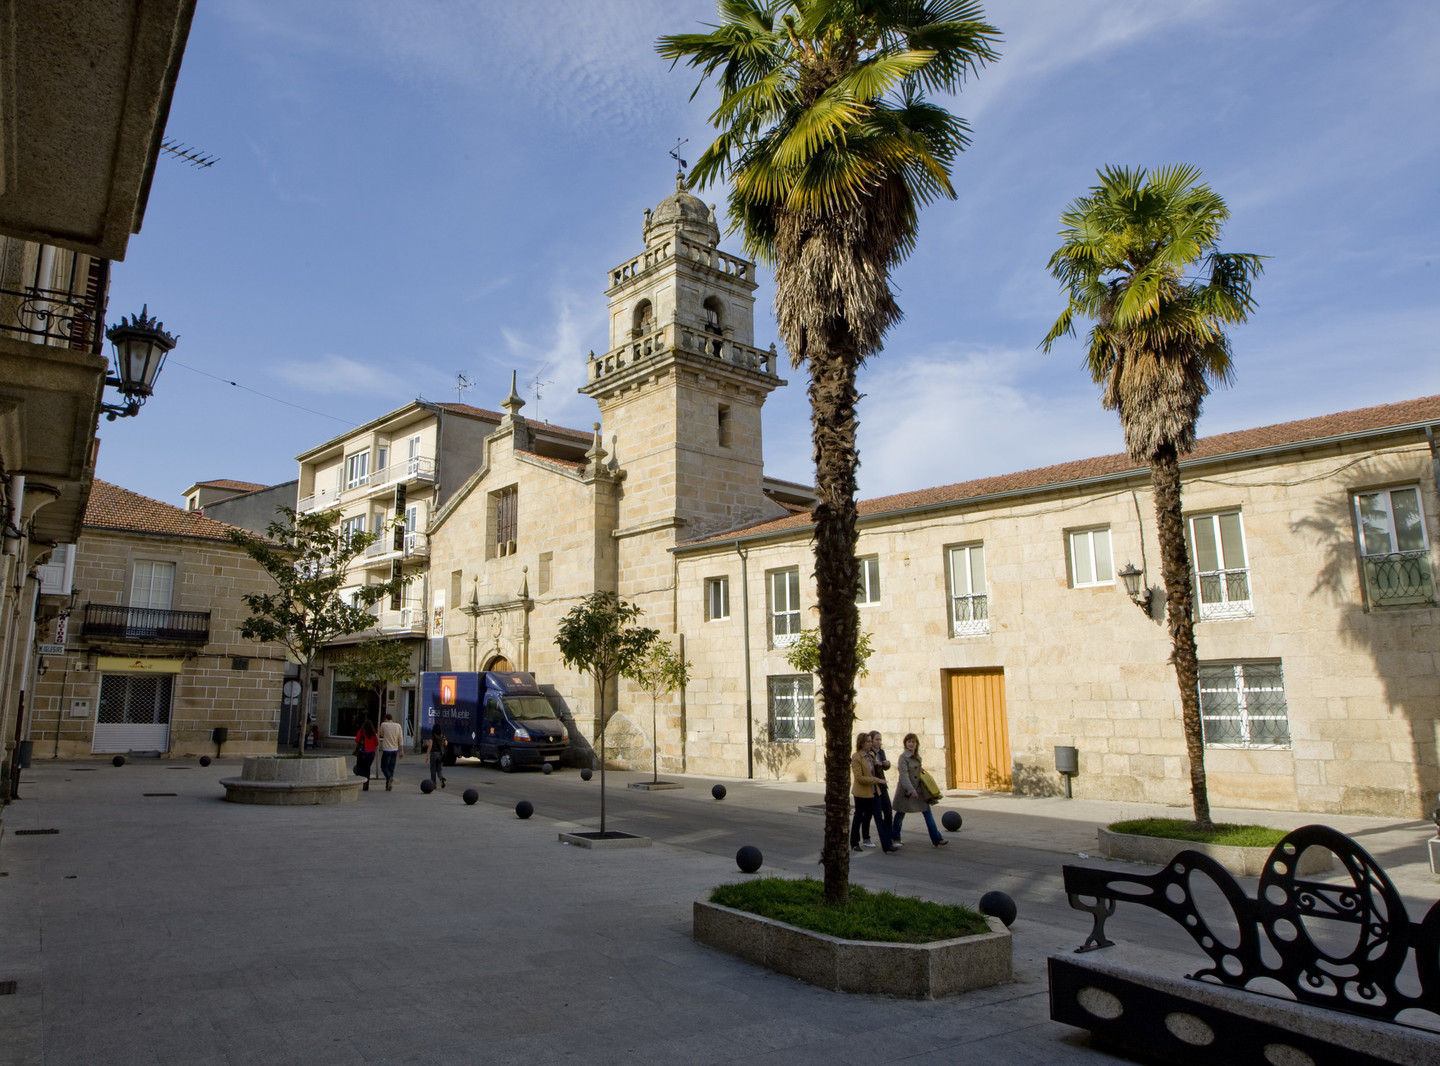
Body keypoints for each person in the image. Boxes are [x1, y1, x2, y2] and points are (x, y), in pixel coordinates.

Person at [894, 732, 947, 847]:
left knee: (927, 813)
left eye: (913, 742)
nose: (911, 744)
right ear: (905, 744)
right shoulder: (903, 758)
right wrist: (911, 790)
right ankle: (895, 838)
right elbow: (904, 776)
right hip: (906, 792)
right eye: (909, 742)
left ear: (916, 744)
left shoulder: (917, 757)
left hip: (919, 791)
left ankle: (937, 839)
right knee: (900, 814)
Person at [849, 732, 897, 853]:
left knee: (878, 818)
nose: (871, 744)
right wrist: (877, 780)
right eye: (868, 741)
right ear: (861, 743)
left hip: (874, 792)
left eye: (871, 741)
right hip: (861, 793)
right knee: (859, 817)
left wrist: (882, 764)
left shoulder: (871, 755)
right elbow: (859, 777)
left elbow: (877, 769)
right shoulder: (856, 757)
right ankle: (854, 842)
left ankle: (887, 845)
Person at [866, 730, 895, 848]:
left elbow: (884, 767)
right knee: (868, 814)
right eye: (876, 739)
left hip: (882, 784)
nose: (878, 742)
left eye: (880, 739)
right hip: (873, 785)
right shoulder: (868, 753)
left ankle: (889, 837)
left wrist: (886, 764)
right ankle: (866, 837)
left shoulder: (881, 752)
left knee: (888, 811)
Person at [378, 712, 403, 791]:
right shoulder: (398, 725)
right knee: (391, 768)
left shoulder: (383, 724)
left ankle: (389, 778)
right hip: (395, 749)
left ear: (385, 719)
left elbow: (381, 734)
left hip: (387, 749)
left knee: (384, 767)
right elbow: (400, 739)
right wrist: (401, 750)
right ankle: (388, 785)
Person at [354, 719, 378, 791]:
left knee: (359, 768)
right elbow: (376, 743)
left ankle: (362, 778)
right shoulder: (373, 734)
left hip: (363, 753)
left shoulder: (361, 732)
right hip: (371, 754)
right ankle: (366, 785)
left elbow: (357, 740)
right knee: (367, 769)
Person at [428, 721, 448, 790]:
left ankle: (433, 784)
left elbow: (430, 745)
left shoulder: (432, 736)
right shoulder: (443, 736)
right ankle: (441, 778)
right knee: (439, 769)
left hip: (433, 754)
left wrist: (427, 755)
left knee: (433, 770)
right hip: (440, 754)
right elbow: (446, 743)